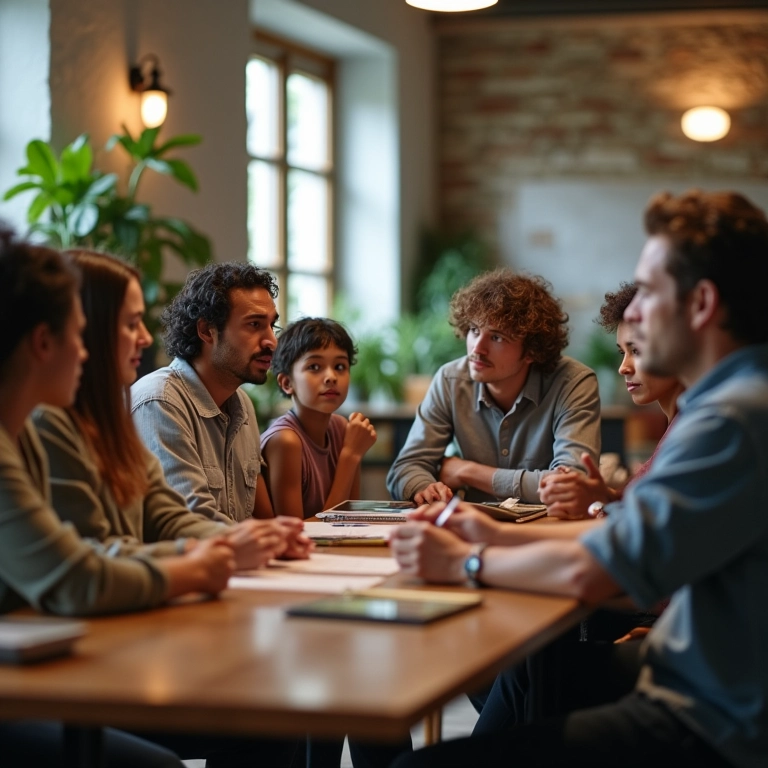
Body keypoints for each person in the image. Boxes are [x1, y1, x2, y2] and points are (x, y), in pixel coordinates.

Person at [390, 189, 768, 768]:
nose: (633, 313)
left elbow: (600, 573)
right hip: (703, 668)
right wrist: (495, 538)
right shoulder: (734, 400)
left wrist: (464, 562)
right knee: (539, 661)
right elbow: (625, 545)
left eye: (648, 293)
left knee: (419, 764)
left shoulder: (732, 418)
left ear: (702, 305)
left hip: (713, 715)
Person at [0, 229, 233, 768]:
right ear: (43, 343)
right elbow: (77, 571)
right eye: (82, 335)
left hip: (45, 668)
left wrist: (228, 545)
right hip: (31, 688)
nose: (144, 341)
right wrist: (192, 568)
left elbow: (153, 521)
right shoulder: (40, 429)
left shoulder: (25, 434)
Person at [34, 250, 309, 573]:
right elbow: (86, 564)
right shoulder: (152, 401)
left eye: (270, 326)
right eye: (131, 323)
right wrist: (209, 558)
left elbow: (167, 516)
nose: (146, 338)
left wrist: (253, 541)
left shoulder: (107, 416)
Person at [386, 269, 601, 505]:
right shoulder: (450, 380)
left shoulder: (573, 383)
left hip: (546, 532)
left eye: (497, 337)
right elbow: (405, 468)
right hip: (467, 528)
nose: (477, 348)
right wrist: (424, 487)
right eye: (474, 331)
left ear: (531, 350)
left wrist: (466, 471)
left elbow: (571, 485)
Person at [131, 261, 281, 522]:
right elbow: (193, 522)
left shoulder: (242, 405)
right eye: (254, 325)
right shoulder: (160, 401)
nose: (271, 341)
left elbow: (261, 518)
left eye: (271, 325)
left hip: (242, 560)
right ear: (206, 331)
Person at [539, 282, 685, 519]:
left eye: (636, 351)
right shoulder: (676, 426)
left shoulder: (690, 431)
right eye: (622, 352)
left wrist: (601, 504)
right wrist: (605, 497)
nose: (623, 368)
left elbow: (659, 526)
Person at [261, 317, 377, 519]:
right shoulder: (285, 441)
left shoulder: (341, 427)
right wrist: (351, 455)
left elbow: (350, 515)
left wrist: (351, 453)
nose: (331, 377)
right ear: (287, 383)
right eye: (314, 367)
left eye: (340, 367)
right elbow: (302, 532)